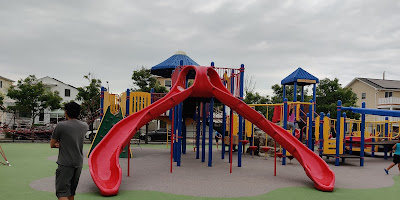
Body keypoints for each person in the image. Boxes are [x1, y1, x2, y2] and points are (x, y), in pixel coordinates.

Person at [50, 102, 88, 200]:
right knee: (71, 192)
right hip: (78, 162)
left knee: (62, 192)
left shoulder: (61, 125)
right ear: (79, 113)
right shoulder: (84, 126)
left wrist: (60, 143)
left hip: (65, 162)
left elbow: (52, 144)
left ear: (66, 112)